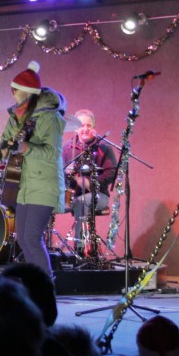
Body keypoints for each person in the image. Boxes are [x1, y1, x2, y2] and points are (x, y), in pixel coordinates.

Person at [0, 60, 67, 277]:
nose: (12, 92)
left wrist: (26, 147)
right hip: (22, 184)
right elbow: (6, 142)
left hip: (43, 184)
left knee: (32, 238)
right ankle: (36, 285)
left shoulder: (49, 116)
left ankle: (46, 287)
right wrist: (3, 151)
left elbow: (52, 153)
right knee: (23, 239)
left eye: (15, 89)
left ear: (26, 92)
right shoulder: (16, 116)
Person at [61, 108, 118, 254]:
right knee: (46, 202)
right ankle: (43, 247)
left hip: (99, 196)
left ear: (93, 127)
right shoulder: (68, 148)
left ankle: (80, 250)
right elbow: (59, 174)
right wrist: (66, 176)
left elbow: (111, 173)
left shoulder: (103, 147)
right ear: (75, 128)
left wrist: (90, 184)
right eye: (81, 125)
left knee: (82, 201)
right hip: (71, 195)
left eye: (89, 125)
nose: (85, 129)